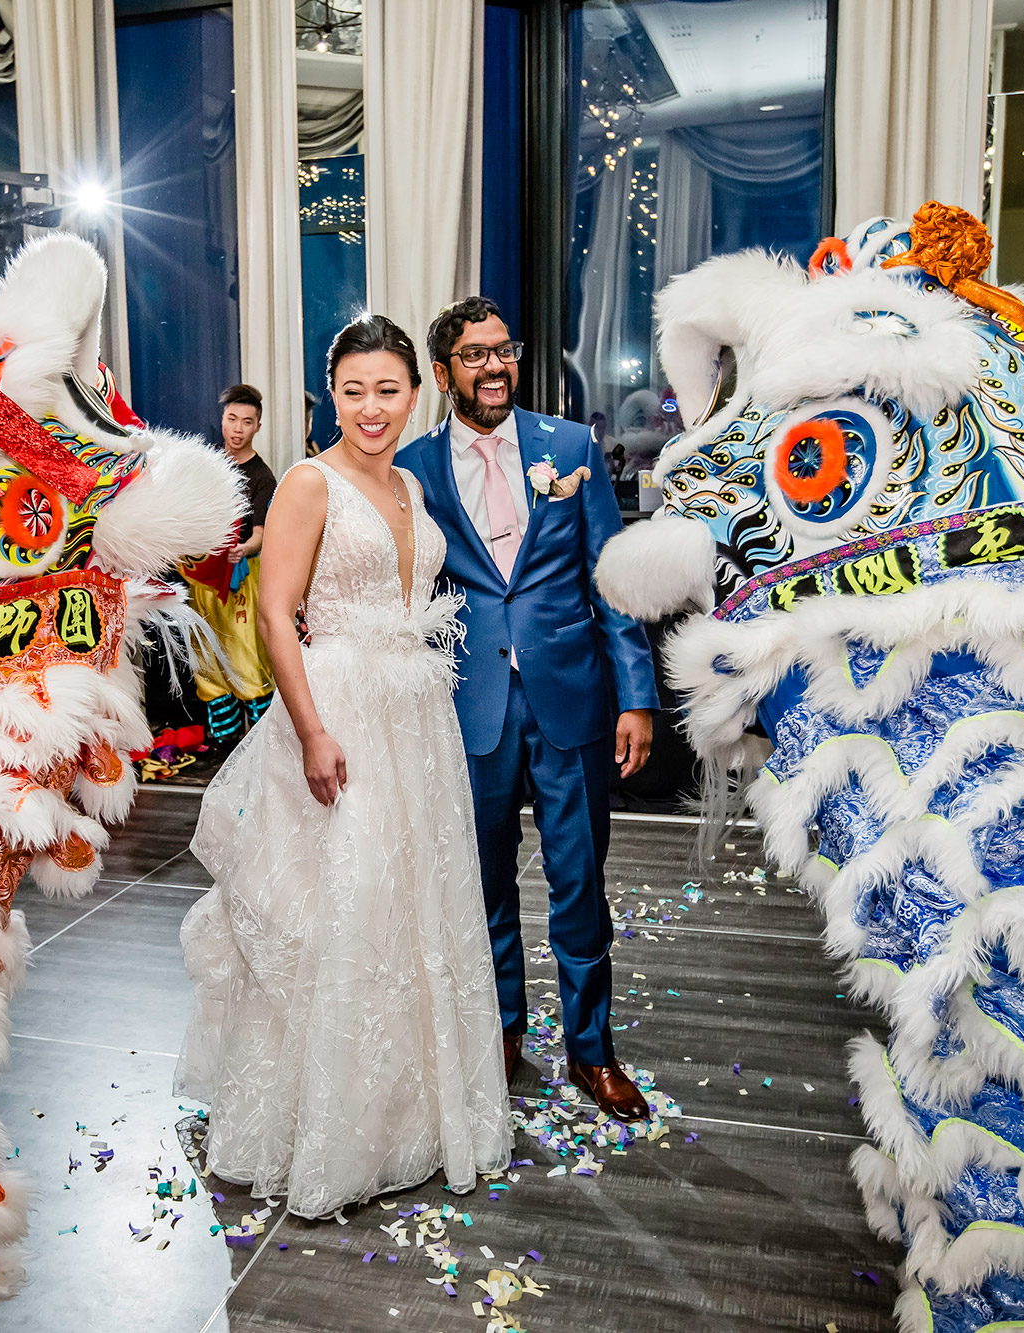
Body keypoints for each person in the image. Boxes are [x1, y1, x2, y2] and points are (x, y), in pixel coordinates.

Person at [178, 317, 511, 1219]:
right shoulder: (306, 482)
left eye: (389, 390)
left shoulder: (408, 480)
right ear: (330, 396)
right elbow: (278, 613)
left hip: (417, 715)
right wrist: (314, 730)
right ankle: (334, 1128)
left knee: (414, 913)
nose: (372, 407)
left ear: (418, 393)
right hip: (343, 711)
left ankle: (417, 1113)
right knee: (345, 910)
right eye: (354, 390)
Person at [397, 296, 660, 1122]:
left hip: (572, 701)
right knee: (483, 888)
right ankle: (500, 1035)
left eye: (502, 350)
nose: (494, 367)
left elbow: (612, 579)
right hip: (468, 707)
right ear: (443, 374)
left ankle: (592, 1049)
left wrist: (638, 697)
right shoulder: (414, 468)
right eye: (473, 356)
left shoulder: (570, 446)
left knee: (581, 883)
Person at [177, 384, 277, 746]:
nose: (237, 428)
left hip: (240, 582)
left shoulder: (262, 477)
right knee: (206, 660)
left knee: (245, 660)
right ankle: (225, 742)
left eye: (246, 422)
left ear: (257, 427)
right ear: (222, 419)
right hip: (203, 580)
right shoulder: (208, 466)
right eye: (232, 419)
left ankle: (263, 747)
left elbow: (261, 535)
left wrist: (244, 548)